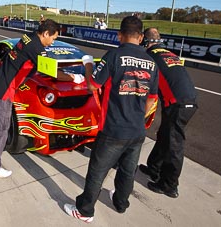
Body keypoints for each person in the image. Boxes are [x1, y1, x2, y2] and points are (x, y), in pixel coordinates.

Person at [63, 16, 159, 223]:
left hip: (113, 129)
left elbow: (92, 85)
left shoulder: (114, 55)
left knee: (97, 172)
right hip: (137, 131)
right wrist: (137, 119)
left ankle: (85, 211)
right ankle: (121, 203)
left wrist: (88, 65)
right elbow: (152, 100)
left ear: (119, 35)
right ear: (141, 37)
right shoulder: (152, 63)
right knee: (127, 171)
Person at [0, 19, 84, 178]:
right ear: (45, 33)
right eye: (53, 38)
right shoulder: (36, 48)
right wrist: (72, 77)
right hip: (4, 90)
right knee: (0, 129)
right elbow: (52, 71)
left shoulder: (28, 37)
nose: (52, 42)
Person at [138, 27, 198, 198]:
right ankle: (153, 169)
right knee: (165, 135)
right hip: (187, 100)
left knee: (174, 146)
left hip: (178, 104)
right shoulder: (169, 54)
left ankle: (169, 186)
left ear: (145, 42)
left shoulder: (150, 56)